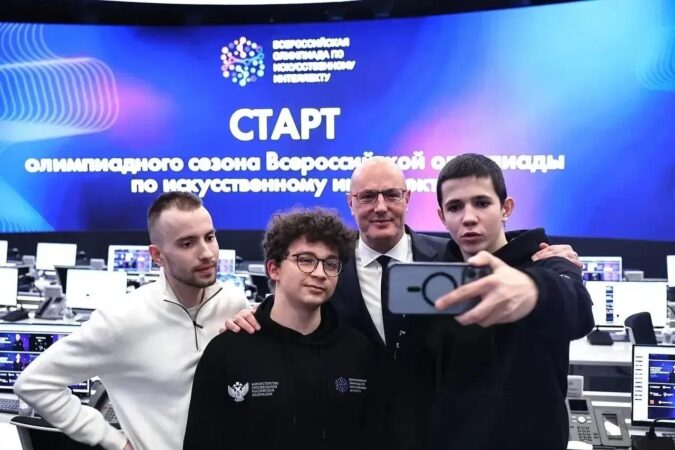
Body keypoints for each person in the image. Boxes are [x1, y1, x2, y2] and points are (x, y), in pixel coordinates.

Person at [225, 157, 582, 449]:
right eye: (368, 196)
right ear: (351, 202)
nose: (380, 207)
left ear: (407, 198)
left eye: (392, 195)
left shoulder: (450, 260)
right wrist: (260, 315)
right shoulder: (330, 268)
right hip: (355, 432)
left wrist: (540, 283)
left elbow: (571, 306)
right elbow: (300, 308)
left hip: (440, 434)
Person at [14, 192, 249, 450]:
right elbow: (34, 383)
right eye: (187, 243)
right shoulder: (121, 320)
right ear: (157, 256)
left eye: (210, 237)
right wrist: (113, 441)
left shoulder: (233, 301)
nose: (206, 253)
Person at [431, 153, 595, 450]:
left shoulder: (548, 262)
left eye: (482, 203)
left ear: (505, 208)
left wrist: (535, 290)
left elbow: (579, 311)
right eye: (455, 207)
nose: (469, 217)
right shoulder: (433, 276)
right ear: (442, 217)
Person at [183, 208, 382, 450]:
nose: (320, 273)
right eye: (306, 260)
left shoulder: (359, 351)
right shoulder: (228, 351)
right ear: (274, 269)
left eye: (331, 264)